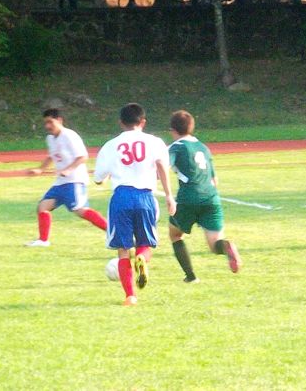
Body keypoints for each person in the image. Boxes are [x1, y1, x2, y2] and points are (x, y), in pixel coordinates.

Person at [93, 103, 176, 306]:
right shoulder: (155, 142)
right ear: (143, 122)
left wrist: (105, 177)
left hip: (121, 197)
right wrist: (169, 195)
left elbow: (98, 178)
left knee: (122, 250)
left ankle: (130, 296)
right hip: (145, 197)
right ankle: (141, 259)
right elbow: (162, 167)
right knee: (145, 244)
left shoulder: (111, 145)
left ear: (121, 122)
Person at [168, 110, 242, 283]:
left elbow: (163, 165)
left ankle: (191, 276)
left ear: (172, 130)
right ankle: (226, 246)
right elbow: (215, 179)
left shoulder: (176, 147)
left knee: (175, 235)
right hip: (211, 198)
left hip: (188, 198)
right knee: (214, 245)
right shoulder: (203, 147)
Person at [26, 108, 107, 247]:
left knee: (80, 211)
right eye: (45, 123)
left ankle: (113, 231)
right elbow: (51, 156)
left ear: (59, 120)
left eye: (50, 122)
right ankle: (43, 240)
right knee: (42, 207)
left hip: (74, 181)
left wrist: (69, 169)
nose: (47, 126)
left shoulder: (69, 136)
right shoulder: (50, 138)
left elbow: (83, 156)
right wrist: (40, 169)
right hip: (60, 182)